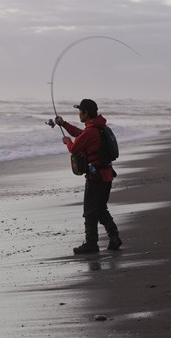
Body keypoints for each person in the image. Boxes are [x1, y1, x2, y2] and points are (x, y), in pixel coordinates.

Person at [55, 99, 122, 254]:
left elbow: (74, 148)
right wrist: (63, 124)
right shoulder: (99, 128)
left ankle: (91, 244)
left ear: (86, 113)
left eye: (80, 111)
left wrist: (67, 141)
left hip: (96, 177)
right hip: (106, 175)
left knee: (90, 211)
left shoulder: (91, 131)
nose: (79, 114)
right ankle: (114, 237)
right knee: (100, 208)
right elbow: (80, 133)